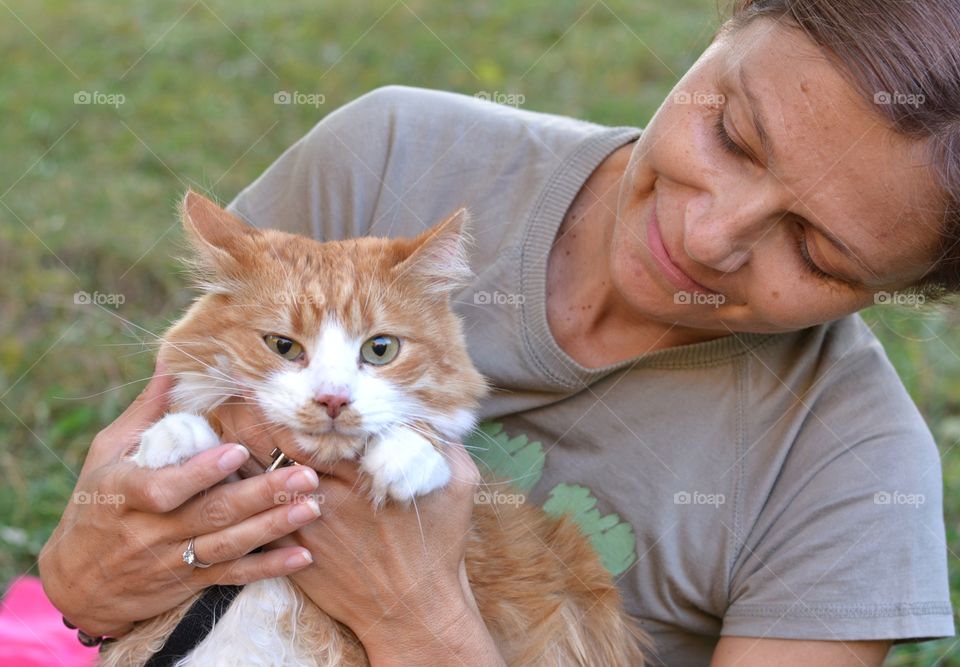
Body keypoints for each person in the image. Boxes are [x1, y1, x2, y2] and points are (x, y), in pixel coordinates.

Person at [39, 0, 960, 664]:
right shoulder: (389, 158)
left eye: (816, 249)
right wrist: (94, 572)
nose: (708, 235)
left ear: (898, 289)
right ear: (726, 23)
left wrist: (418, 617)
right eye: (733, 133)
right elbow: (96, 564)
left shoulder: (855, 477)